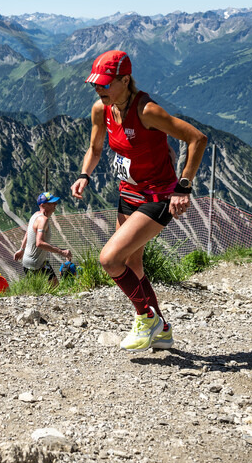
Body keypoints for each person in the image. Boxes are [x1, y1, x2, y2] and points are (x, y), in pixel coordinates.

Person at [70, 50, 207, 351]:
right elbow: (95, 149)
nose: (99, 89)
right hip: (128, 192)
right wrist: (84, 175)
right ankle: (162, 330)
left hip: (159, 196)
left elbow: (197, 138)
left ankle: (146, 317)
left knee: (109, 259)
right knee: (132, 262)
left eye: (106, 84)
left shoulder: (147, 111)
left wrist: (183, 187)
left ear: (125, 80)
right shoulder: (101, 110)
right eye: (96, 84)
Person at [14, 192, 72, 286]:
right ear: (43, 205)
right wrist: (62, 252)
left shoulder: (35, 215)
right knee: (53, 287)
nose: (55, 204)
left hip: (30, 261)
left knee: (44, 289)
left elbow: (28, 233)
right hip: (36, 264)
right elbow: (39, 243)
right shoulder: (43, 220)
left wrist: (21, 250)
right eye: (52, 203)